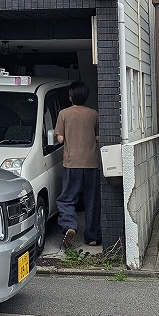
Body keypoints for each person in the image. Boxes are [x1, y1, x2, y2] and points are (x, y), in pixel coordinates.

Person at [55, 81, 101, 248]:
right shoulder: (93, 114)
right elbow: (98, 137)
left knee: (67, 199)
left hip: (71, 163)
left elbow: (60, 138)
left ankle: (69, 226)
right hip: (91, 163)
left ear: (70, 96)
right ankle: (93, 236)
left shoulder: (64, 114)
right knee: (92, 200)